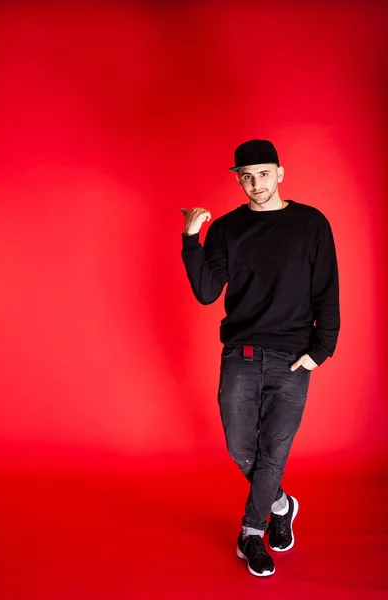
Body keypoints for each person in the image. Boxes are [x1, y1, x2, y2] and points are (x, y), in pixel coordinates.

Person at [179, 139, 340, 577]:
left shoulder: (311, 223)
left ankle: (252, 533)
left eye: (264, 174)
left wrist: (319, 352)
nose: (255, 184)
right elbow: (207, 291)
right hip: (242, 355)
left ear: (280, 173)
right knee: (240, 446)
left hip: (293, 357)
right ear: (239, 179)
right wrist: (191, 239)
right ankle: (282, 504)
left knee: (273, 452)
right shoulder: (229, 228)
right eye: (246, 177)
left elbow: (326, 288)